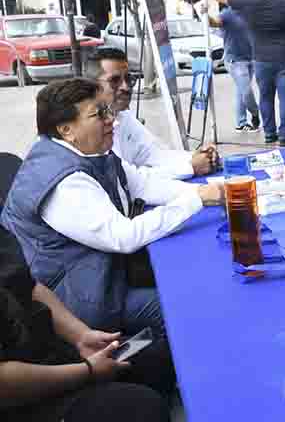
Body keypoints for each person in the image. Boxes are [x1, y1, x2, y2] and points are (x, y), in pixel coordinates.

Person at [1, 78, 225, 338]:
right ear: (66, 130)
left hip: (103, 273)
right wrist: (197, 200)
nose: (112, 121)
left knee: (195, 271)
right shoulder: (64, 183)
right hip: (79, 299)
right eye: (99, 114)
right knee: (186, 306)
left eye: (108, 111)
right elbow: (123, 237)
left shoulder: (89, 152)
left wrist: (206, 192)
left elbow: (143, 183)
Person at [0, 225, 172, 422]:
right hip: (20, 398)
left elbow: (28, 288)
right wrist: (87, 371)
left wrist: (81, 336)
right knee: (144, 408)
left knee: (156, 354)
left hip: (47, 348)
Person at [85, 48, 219, 179]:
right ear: (93, 85)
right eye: (114, 81)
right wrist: (190, 167)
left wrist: (198, 156)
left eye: (128, 79)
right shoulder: (89, 127)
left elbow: (155, 154)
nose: (125, 87)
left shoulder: (123, 117)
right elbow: (128, 180)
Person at [207, 0, 285, 147]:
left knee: (265, 97)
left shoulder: (249, 1)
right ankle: (284, 136)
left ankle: (269, 134)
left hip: (261, 60)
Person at [208, 0, 261, 132]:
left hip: (251, 58)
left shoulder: (249, 13)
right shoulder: (227, 14)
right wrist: (205, 15)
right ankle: (255, 114)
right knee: (246, 91)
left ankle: (241, 122)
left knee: (241, 91)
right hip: (235, 60)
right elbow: (214, 22)